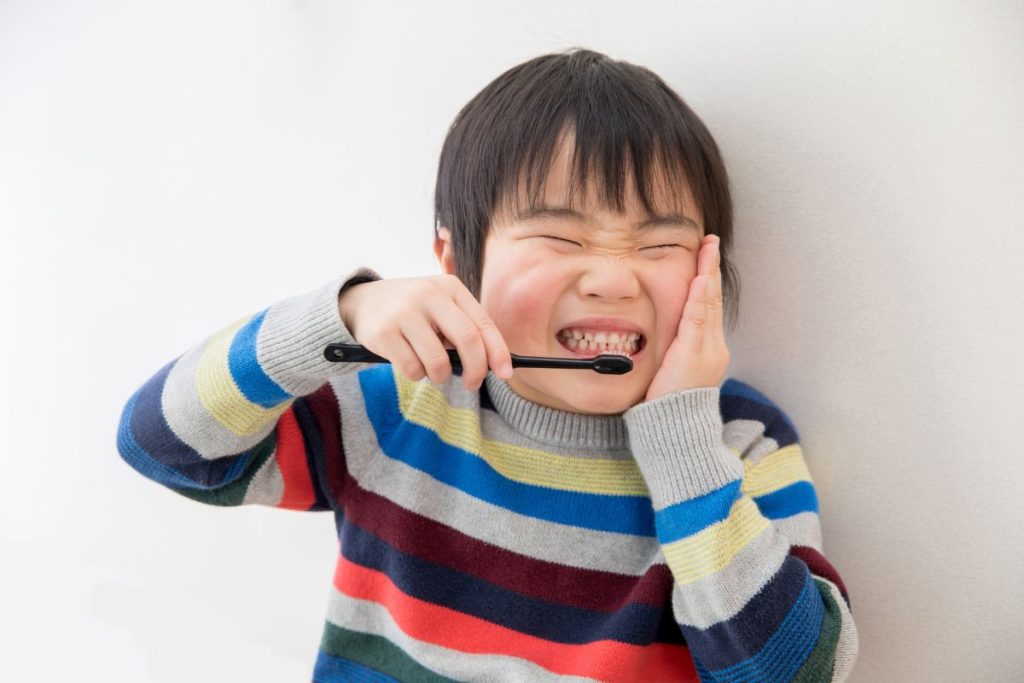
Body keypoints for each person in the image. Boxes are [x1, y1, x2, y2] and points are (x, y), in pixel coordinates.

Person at [117, 48, 858, 682]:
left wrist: (683, 447)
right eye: (561, 240)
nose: (612, 279)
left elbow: (795, 670)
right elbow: (165, 446)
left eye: (658, 245)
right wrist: (337, 317)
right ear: (453, 263)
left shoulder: (737, 442)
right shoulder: (402, 402)